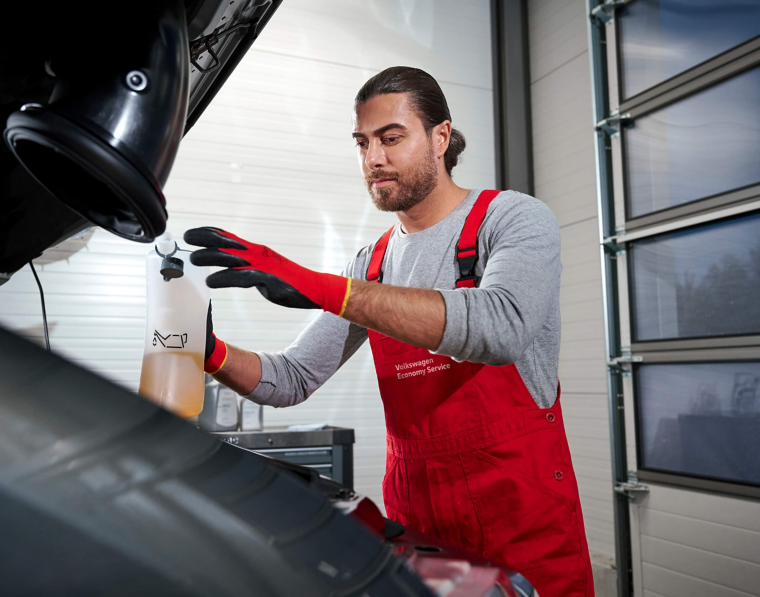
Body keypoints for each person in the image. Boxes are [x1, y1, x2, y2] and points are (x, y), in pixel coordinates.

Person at [185, 66, 594, 597]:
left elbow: (501, 326)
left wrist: (319, 286)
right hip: (418, 527)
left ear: (440, 138)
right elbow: (291, 378)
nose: (373, 159)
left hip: (521, 523)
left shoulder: (512, 219)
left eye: (391, 138)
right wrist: (207, 349)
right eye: (362, 143)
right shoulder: (371, 263)